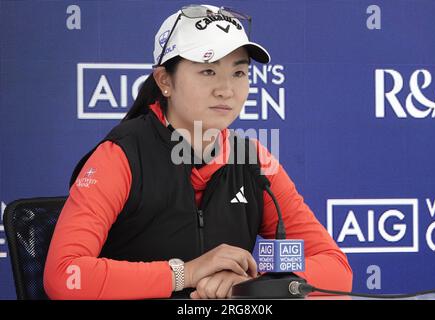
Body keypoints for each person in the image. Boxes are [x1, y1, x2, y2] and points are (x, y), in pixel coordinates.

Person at [44, 4, 352, 300]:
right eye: (207, 71)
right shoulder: (121, 155)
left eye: (239, 73)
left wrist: (248, 285)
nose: (226, 89)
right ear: (165, 81)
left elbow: (337, 270)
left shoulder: (254, 159)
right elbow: (64, 276)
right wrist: (185, 273)